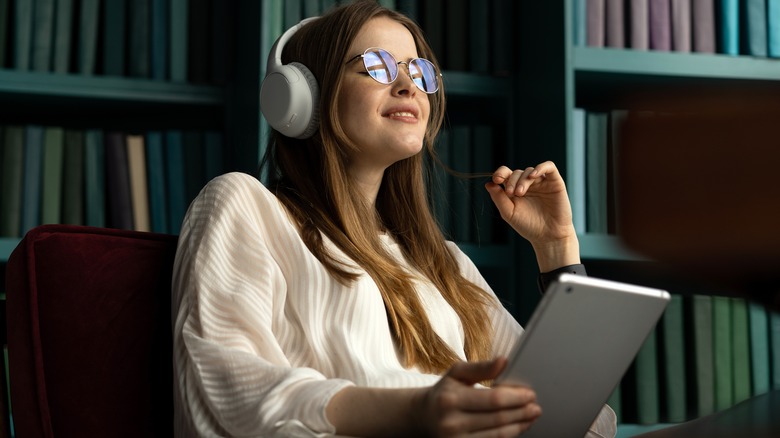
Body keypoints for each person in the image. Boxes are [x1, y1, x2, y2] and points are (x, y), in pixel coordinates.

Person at [171, 1, 616, 436]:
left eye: (419, 71)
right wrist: (413, 411)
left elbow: (587, 421)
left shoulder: (443, 262)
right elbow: (224, 390)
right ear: (304, 95)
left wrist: (557, 249)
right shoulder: (246, 206)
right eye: (377, 66)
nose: (408, 85)